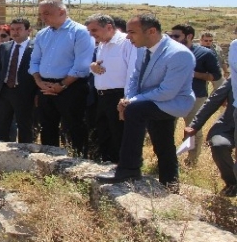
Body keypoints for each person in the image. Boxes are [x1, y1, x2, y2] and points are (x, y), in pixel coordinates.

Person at [96, 14, 195, 192]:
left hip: (172, 102)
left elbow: (167, 92)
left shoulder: (179, 54)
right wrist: (128, 99)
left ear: (151, 31)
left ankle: (129, 168)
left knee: (136, 112)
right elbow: (134, 77)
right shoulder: (143, 48)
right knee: (163, 142)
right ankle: (170, 183)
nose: (127, 37)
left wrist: (131, 103)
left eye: (132, 32)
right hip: (151, 100)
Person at [28, 0, 94, 154]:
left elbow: (82, 64)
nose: (43, 17)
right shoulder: (42, 34)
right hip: (45, 86)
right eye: (41, 13)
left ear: (62, 12)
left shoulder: (81, 32)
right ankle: (49, 160)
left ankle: (78, 158)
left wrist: (63, 85)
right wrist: (39, 82)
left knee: (74, 126)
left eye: (47, 13)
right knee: (47, 126)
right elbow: (34, 61)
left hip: (72, 87)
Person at [87, 14, 136, 163]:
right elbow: (102, 68)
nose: (91, 34)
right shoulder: (102, 44)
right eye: (89, 31)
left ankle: (122, 169)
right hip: (101, 97)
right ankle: (107, 165)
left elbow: (132, 73)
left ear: (109, 27)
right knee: (104, 134)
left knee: (119, 135)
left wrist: (127, 99)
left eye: (94, 30)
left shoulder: (126, 43)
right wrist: (93, 67)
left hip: (119, 96)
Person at [170, 24, 221, 166]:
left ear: (189, 36)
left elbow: (215, 76)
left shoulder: (205, 53)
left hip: (196, 97)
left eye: (176, 36)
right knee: (165, 129)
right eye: (171, 36)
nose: (173, 39)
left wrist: (193, 74)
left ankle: (191, 161)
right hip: (171, 97)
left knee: (193, 131)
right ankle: (167, 160)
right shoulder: (169, 52)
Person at [185, 79, 237, 197]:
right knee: (219, 145)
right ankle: (232, 183)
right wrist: (195, 125)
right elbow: (213, 101)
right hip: (228, 127)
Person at [0, 18, 37, 143]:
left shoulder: (36, 47)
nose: (15, 32)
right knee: (1, 125)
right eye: (12, 29)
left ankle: (24, 153)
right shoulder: (4, 47)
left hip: (24, 93)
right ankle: (0, 153)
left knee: (25, 125)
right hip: (4, 92)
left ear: (28, 31)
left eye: (19, 29)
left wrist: (37, 94)